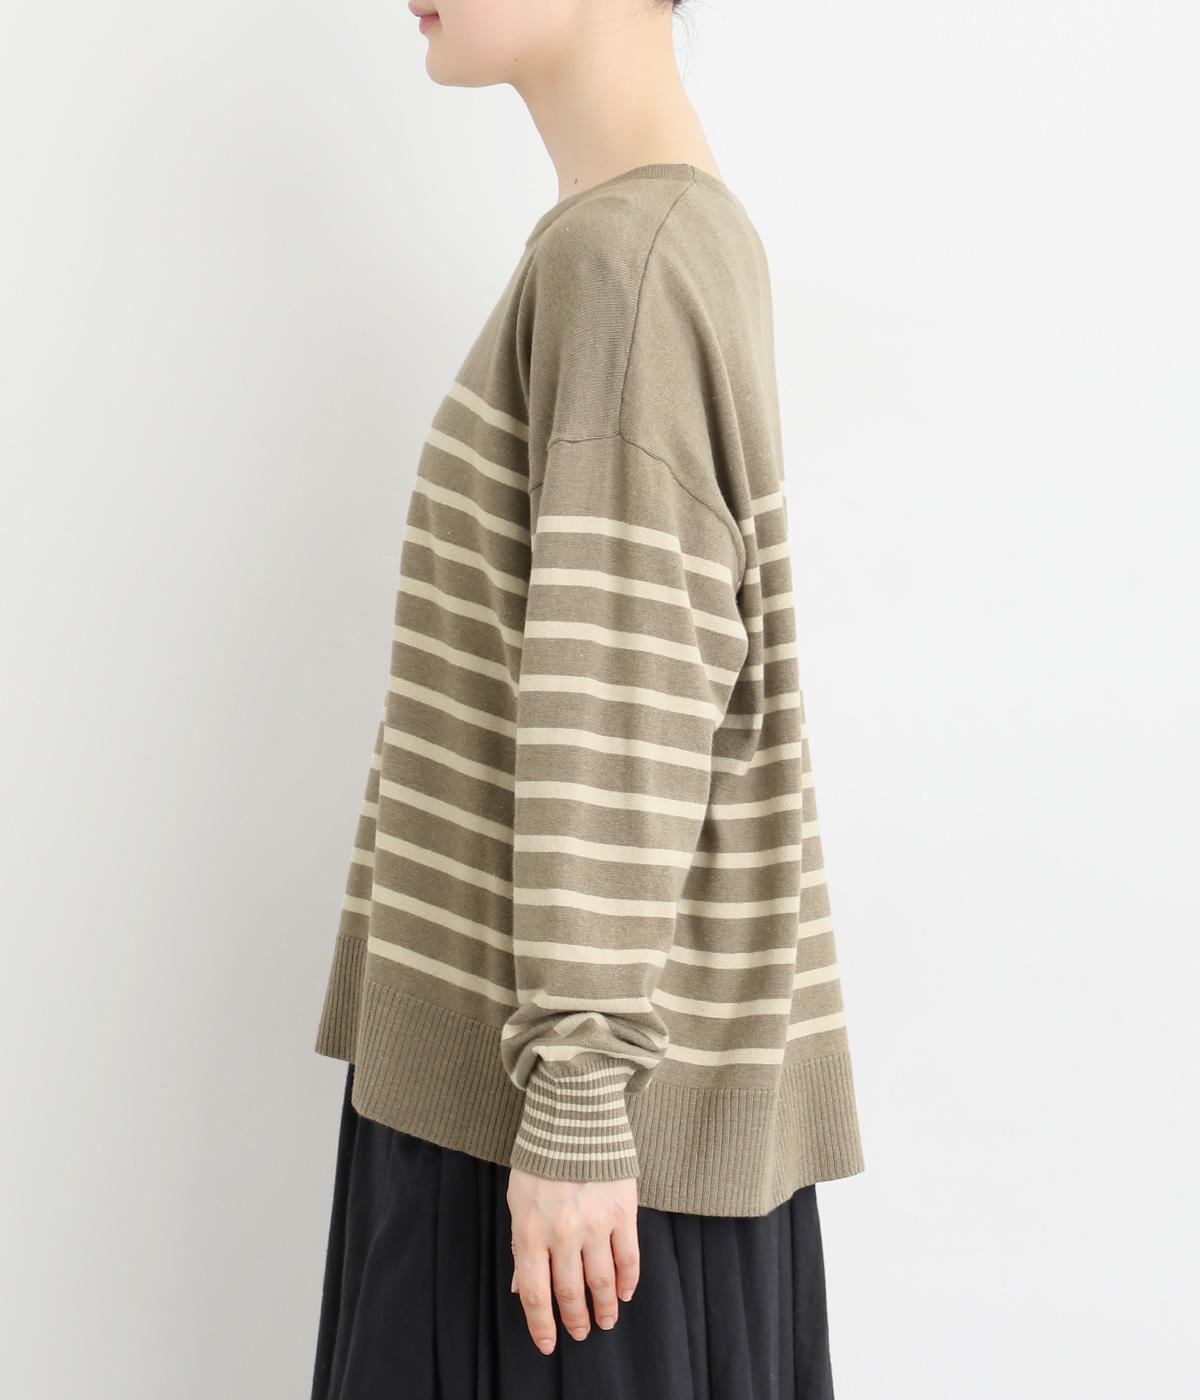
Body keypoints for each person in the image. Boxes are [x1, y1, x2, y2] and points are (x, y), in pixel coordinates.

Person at [309, 2, 866, 1396]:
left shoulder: (627, 263)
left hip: (561, 1153)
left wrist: (576, 1088)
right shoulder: (656, 241)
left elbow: (625, 685)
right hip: (582, 1127)